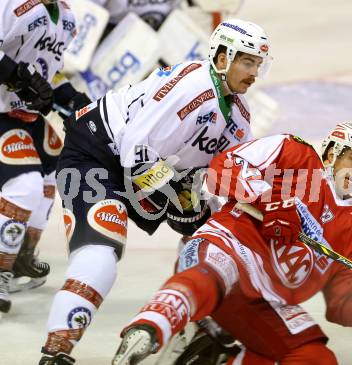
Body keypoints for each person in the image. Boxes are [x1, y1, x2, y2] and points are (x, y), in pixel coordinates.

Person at [39, 18, 272, 364]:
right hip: (97, 154)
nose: (254, 72)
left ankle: (201, 322)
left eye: (258, 64)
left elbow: (235, 176)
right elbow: (135, 149)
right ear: (222, 58)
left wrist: (265, 211)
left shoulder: (238, 115)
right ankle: (56, 352)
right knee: (101, 252)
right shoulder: (192, 84)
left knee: (214, 236)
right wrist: (176, 192)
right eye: (247, 61)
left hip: (147, 172)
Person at [112, 121, 352, 365]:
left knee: (316, 357)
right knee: (211, 276)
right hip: (226, 248)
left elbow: (342, 306)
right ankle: (148, 329)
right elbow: (223, 168)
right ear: (333, 151)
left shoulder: (351, 231)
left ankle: (225, 357)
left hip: (264, 301)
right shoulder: (294, 153)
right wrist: (269, 200)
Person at [0, 0, 90, 314]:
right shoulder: (9, 5)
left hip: (25, 115)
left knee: (52, 173)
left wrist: (74, 100)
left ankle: (21, 254)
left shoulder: (65, 16)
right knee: (24, 186)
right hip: (1, 111)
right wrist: (17, 77)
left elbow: (48, 71)